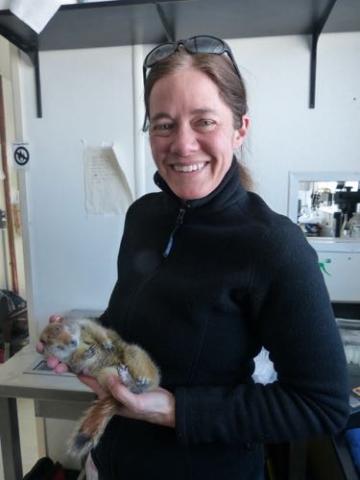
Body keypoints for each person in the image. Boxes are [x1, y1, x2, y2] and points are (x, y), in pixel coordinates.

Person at [39, 35, 349, 479]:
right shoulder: (143, 216)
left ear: (240, 128)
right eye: (164, 125)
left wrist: (175, 410)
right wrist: (81, 337)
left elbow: (322, 404)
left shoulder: (273, 246)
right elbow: (130, 320)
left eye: (204, 122)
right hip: (111, 464)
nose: (182, 145)